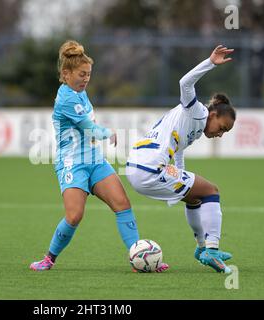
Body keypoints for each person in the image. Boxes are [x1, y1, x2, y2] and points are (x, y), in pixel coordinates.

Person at [30, 40, 169, 272]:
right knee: (74, 216)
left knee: (122, 204)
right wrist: (108, 133)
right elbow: (88, 127)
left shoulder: (80, 93)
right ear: (66, 73)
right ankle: (48, 258)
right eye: (82, 74)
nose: (86, 79)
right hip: (72, 164)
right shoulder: (66, 98)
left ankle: (140, 258)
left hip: (95, 160)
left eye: (89, 75)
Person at [126, 45, 236, 274]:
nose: (220, 134)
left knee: (195, 198)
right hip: (150, 168)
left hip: (137, 166)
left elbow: (178, 151)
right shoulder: (196, 112)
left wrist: (181, 183)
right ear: (213, 114)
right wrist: (210, 62)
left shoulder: (194, 127)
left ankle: (202, 248)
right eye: (222, 127)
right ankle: (212, 251)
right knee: (211, 191)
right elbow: (185, 83)